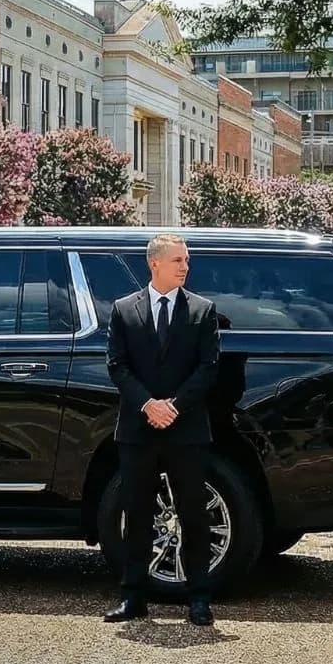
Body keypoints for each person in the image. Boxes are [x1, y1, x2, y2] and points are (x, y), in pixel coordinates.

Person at [102, 233, 222, 627]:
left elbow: (209, 368)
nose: (185, 266)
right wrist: (147, 404)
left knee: (193, 513)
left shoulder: (203, 311)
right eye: (177, 260)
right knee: (136, 513)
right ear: (154, 264)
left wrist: (173, 406)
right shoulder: (124, 309)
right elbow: (117, 364)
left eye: (186, 260)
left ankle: (199, 597)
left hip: (186, 429)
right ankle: (133, 597)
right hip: (138, 428)